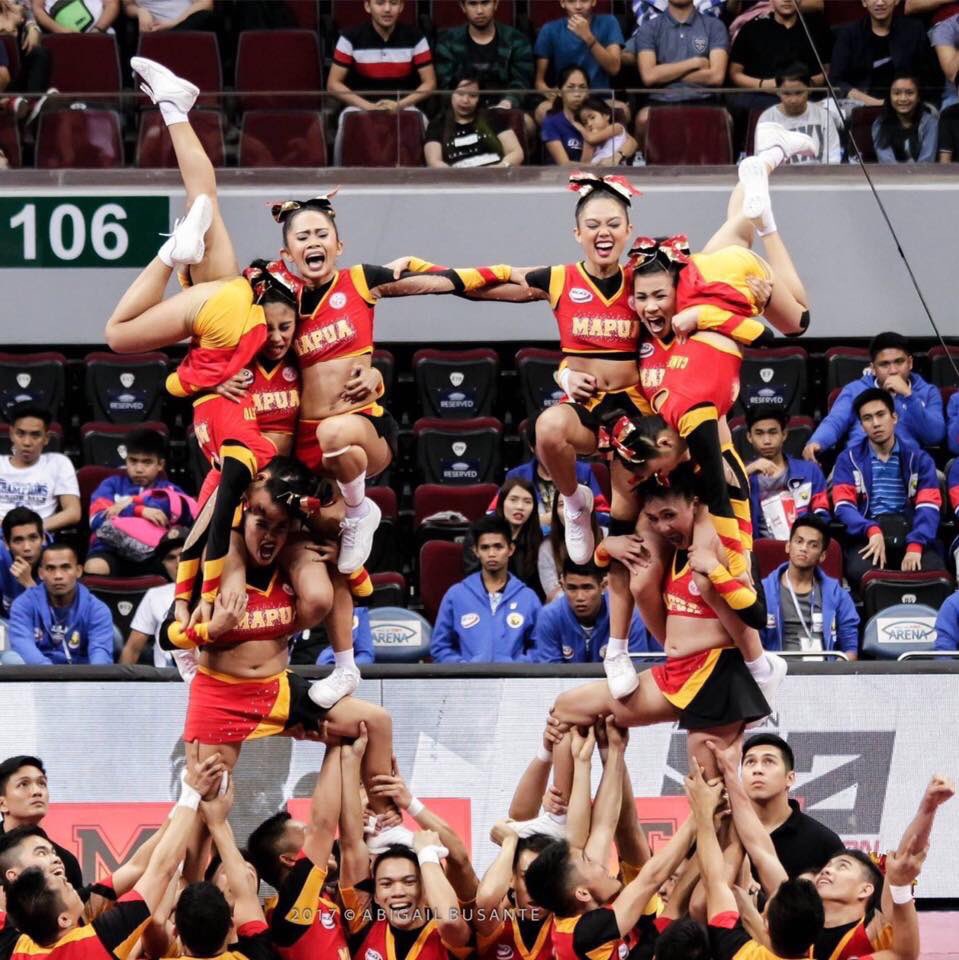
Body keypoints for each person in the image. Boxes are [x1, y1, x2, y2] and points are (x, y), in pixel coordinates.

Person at [160, 469, 397, 805]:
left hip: (277, 690)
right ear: (244, 521)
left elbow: (364, 589)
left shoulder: (294, 568)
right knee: (205, 807)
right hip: (221, 697)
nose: (270, 537)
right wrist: (209, 631)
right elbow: (166, 637)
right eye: (262, 526)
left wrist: (345, 562)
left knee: (376, 722)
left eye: (280, 528)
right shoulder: (213, 567)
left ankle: (384, 822)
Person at [547, 469, 777, 779]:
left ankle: (764, 667)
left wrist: (758, 666)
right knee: (566, 709)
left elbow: (752, 614)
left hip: (717, 677)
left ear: (694, 504)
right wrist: (606, 548)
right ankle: (559, 815)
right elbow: (614, 565)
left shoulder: (719, 544)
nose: (662, 526)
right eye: (653, 518)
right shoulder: (672, 549)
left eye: (669, 515)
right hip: (677, 672)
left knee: (709, 802)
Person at [3, 755, 226, 952]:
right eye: (41, 853)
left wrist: (186, 800)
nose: (55, 860)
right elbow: (160, 871)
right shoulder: (96, 941)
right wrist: (192, 795)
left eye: (52, 851)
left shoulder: (14, 947)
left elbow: (137, 866)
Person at [523, 723, 698, 960]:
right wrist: (699, 815)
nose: (600, 861)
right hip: (643, 948)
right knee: (671, 907)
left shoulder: (578, 892)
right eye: (588, 860)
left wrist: (610, 753)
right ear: (583, 894)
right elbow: (653, 877)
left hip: (634, 936)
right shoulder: (585, 933)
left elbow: (604, 826)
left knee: (630, 843)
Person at [337, 729, 474, 960]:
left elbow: (458, 858)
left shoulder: (450, 936)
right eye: (387, 884)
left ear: (425, 889)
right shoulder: (364, 923)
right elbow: (350, 846)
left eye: (409, 882)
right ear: (376, 894)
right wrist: (349, 760)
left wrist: (410, 805)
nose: (398, 892)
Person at [812, 773, 952, 960]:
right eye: (827, 866)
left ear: (866, 889)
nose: (827, 870)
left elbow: (903, 861)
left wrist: (927, 809)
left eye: (842, 866)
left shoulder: (874, 930)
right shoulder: (795, 936)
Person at [832, 388, 944, 589]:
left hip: (910, 531)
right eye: (867, 418)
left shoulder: (919, 459)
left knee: (933, 574)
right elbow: (843, 506)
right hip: (868, 533)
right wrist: (870, 529)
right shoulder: (847, 460)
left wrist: (916, 544)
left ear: (894, 417)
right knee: (863, 573)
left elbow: (929, 507)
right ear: (862, 425)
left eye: (880, 415)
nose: (875, 423)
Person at [245, 747, 349, 960]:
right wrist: (335, 746)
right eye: (306, 833)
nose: (321, 841)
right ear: (290, 859)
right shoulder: (290, 909)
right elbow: (323, 823)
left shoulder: (328, 899)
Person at [327, 0, 436, 166]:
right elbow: (333, 84)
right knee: (347, 120)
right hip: (361, 106)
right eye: (379, 3)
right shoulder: (349, 38)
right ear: (367, 6)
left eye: (393, 3)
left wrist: (400, 104)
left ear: (401, 7)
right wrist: (368, 106)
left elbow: (429, 83)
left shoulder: (416, 37)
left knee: (421, 121)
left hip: (403, 105)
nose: (387, 9)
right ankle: (341, 177)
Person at [805, 332, 945, 461]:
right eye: (884, 364)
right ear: (872, 368)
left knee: (937, 478)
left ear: (910, 363)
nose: (893, 371)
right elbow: (835, 421)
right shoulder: (854, 390)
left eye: (899, 362)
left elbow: (935, 436)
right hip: (859, 463)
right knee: (834, 480)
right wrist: (817, 441)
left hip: (909, 466)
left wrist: (909, 396)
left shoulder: (928, 392)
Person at [430, 515, 541, 663]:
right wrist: (463, 669)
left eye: (498, 547)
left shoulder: (528, 597)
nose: (491, 554)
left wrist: (517, 668)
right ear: (476, 551)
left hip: (514, 683)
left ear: (510, 549)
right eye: (485, 547)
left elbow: (541, 646)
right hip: (469, 684)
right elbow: (440, 647)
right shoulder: (456, 595)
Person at [83, 428, 191, 576]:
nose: (139, 469)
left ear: (160, 465)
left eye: (147, 462)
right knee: (94, 566)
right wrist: (139, 511)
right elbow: (96, 520)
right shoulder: (110, 485)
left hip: (154, 553)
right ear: (126, 460)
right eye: (133, 461)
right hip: (111, 550)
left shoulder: (170, 491)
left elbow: (182, 515)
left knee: (177, 565)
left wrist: (128, 506)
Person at [624, 0, 729, 146]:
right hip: (661, 101)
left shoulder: (714, 26)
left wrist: (664, 73)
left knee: (726, 119)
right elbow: (649, 77)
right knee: (643, 119)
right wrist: (695, 63)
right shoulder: (649, 28)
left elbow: (716, 76)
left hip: (705, 100)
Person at [739, 733, 844, 878]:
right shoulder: (726, 832)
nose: (757, 770)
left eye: (768, 762)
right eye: (750, 762)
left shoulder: (822, 841)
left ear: (790, 778)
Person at [760, 516, 860, 658]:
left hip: (824, 675)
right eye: (799, 541)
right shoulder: (763, 592)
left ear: (822, 556)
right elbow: (753, 648)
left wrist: (836, 674)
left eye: (813, 545)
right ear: (788, 546)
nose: (804, 548)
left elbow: (850, 649)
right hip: (777, 673)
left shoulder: (838, 595)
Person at [8, 542, 114, 666]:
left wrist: (91, 681)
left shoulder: (97, 609)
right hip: (39, 676)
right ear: (41, 573)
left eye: (65, 567)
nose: (58, 576)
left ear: (78, 571)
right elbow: (23, 645)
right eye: (50, 568)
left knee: (114, 635)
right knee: (10, 659)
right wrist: (52, 676)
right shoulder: (23, 604)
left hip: (82, 675)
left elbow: (99, 656)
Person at [531, 560, 654, 662]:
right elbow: (551, 674)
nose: (580, 597)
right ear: (562, 586)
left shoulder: (629, 617)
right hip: (565, 689)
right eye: (572, 588)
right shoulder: (548, 617)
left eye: (587, 588)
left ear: (604, 585)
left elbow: (637, 668)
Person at [830, 0, 940, 107]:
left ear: (897, 1)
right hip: (861, 106)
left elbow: (930, 78)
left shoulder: (915, 30)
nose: (880, 2)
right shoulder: (849, 34)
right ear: (864, 2)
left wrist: (905, 99)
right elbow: (836, 81)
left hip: (908, 106)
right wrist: (875, 103)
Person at [119, 531, 199, 676]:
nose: (178, 562)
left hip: (205, 676)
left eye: (183, 554)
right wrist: (120, 691)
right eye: (171, 558)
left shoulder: (211, 591)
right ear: (163, 564)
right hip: (166, 680)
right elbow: (132, 649)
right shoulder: (154, 595)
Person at [744, 405, 829, 539]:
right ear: (749, 437)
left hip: (802, 548)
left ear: (784, 434)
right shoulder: (743, 476)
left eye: (773, 432)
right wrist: (747, 471)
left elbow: (822, 514)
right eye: (759, 433)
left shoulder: (810, 471)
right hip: (758, 550)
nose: (766, 441)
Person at [533, 0, 624, 125]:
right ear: (562, 3)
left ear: (593, 1)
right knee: (542, 111)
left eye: (584, 0)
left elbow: (614, 68)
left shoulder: (609, 22)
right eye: (571, 1)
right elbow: (539, 82)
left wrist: (588, 37)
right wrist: (552, 94)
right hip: (565, 98)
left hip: (600, 98)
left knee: (623, 110)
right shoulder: (550, 29)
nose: (578, 6)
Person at [434, 0, 534, 112]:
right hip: (461, 110)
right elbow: (445, 86)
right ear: (463, 7)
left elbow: (521, 82)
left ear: (496, 4)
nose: (480, 11)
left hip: (507, 109)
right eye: (472, 4)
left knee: (524, 124)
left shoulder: (516, 40)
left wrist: (507, 103)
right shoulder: (448, 41)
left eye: (485, 3)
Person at [0, 755, 83, 890]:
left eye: (42, 784)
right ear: (2, 803)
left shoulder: (66, 861)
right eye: (23, 784)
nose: (37, 792)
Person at [0, 404, 80, 533]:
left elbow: (73, 512)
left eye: (35, 435)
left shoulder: (58, 463)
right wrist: (11, 531)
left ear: (46, 438)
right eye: (20, 434)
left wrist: (32, 530)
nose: (27, 442)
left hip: (40, 535)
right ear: (11, 434)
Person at [728, 0, 831, 98]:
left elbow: (828, 69)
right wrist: (762, 85)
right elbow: (735, 73)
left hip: (808, 99)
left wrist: (809, 84)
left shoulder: (817, 28)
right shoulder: (751, 29)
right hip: (761, 97)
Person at [503, 440, 609, 534]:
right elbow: (494, 514)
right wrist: (536, 520)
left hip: (575, 538)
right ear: (532, 448)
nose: (551, 453)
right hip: (531, 542)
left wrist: (568, 516)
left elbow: (604, 515)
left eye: (555, 447)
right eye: (544, 448)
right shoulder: (516, 475)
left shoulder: (584, 472)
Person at [424, 74, 524, 168]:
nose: (465, 100)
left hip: (495, 178)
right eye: (460, 94)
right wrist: (455, 176)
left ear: (479, 98)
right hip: (457, 182)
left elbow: (516, 152)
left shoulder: (491, 117)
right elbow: (434, 162)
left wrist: (501, 167)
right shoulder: (437, 124)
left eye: (472, 95)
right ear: (451, 94)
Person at [757, 63, 843, 164]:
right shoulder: (767, 118)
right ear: (778, 91)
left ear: (809, 89)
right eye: (787, 93)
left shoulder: (823, 116)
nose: (793, 100)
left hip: (819, 177)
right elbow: (764, 161)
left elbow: (833, 158)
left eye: (799, 93)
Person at [539, 495, 605, 600]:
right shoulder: (547, 548)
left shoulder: (606, 536)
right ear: (555, 512)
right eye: (561, 505)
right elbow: (553, 594)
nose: (567, 510)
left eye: (574, 503)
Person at [493, 478, 545, 595]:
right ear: (502, 502)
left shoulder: (536, 537)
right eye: (513, 500)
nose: (520, 507)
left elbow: (537, 588)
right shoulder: (482, 533)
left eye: (527, 501)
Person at [872, 71, 939, 162]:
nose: (903, 98)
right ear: (889, 96)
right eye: (897, 93)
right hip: (892, 175)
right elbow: (887, 163)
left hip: (923, 175)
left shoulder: (930, 123)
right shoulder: (879, 124)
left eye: (909, 93)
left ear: (918, 96)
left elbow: (927, 161)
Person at [540, 66, 590, 163]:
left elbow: (626, 139)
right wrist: (599, 167)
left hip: (595, 175)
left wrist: (619, 155)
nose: (577, 94)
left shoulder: (596, 117)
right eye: (571, 87)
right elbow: (565, 164)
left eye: (582, 87)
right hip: (561, 176)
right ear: (559, 92)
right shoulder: (550, 122)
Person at [0, 507, 42, 617]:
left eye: (33, 538)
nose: (27, 547)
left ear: (43, 539)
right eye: (18, 540)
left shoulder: (57, 562)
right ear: (6, 543)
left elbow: (54, 623)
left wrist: (29, 584)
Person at [578, 96, 638, 165]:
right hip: (598, 173)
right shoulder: (591, 142)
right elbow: (584, 165)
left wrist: (579, 127)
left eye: (592, 117)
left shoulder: (617, 127)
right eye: (585, 122)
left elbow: (592, 138)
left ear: (606, 115)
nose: (589, 124)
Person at [122, 0, 214, 34]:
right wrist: (140, 11)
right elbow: (128, 6)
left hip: (187, 24)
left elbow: (205, 3)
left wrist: (174, 23)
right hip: (154, 29)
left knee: (206, 17)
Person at [32, 0, 118, 33]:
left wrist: (97, 30)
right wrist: (61, 31)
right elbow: (37, 9)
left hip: (102, 32)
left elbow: (112, 4)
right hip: (66, 39)